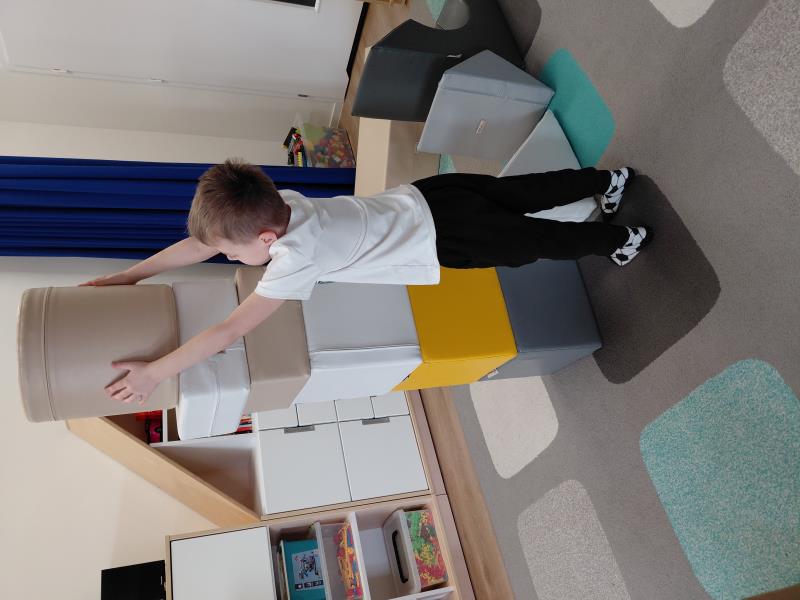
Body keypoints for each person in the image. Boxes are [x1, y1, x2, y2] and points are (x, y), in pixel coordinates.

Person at [82, 159, 652, 405]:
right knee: (520, 192)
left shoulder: (295, 259)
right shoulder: (281, 202)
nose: (225, 256)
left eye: (231, 252)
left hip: (445, 238)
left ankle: (619, 239)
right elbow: (200, 243)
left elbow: (228, 332)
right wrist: (131, 275)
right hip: (432, 196)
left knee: (535, 241)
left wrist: (155, 373)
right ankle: (608, 179)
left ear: (264, 240)